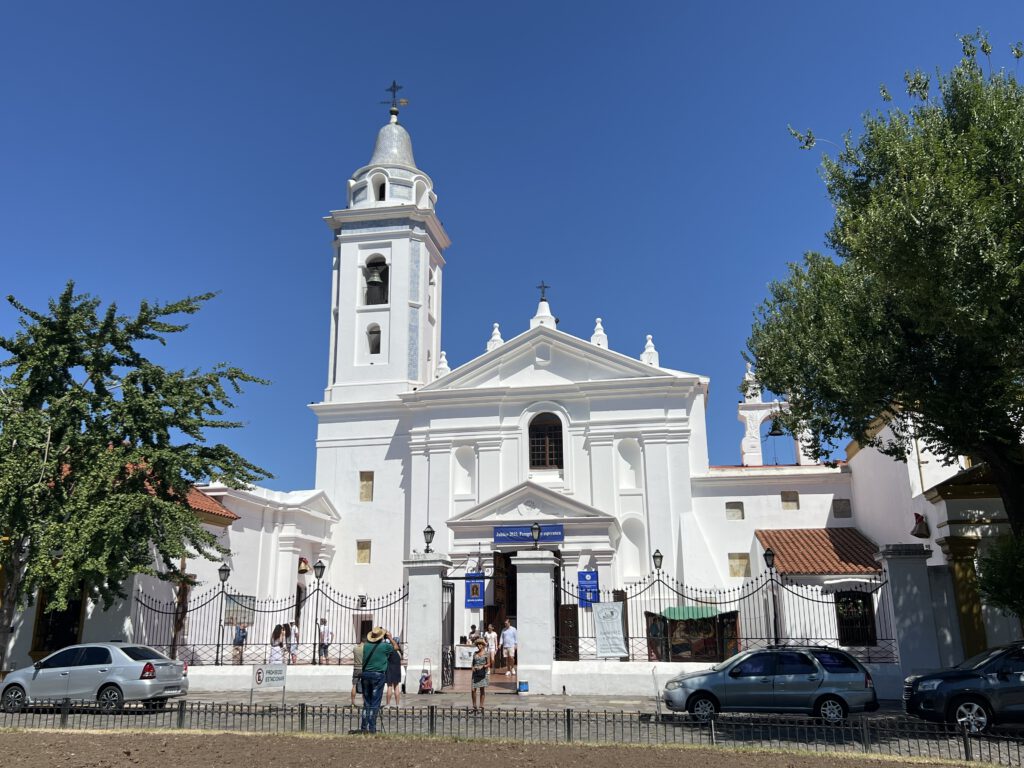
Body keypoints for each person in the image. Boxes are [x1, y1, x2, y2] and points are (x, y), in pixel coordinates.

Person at [359, 626, 395, 733]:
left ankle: (364, 727)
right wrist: (390, 638)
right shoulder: (385, 646)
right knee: (375, 703)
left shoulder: (365, 646)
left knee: (367, 702)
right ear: (381, 636)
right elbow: (396, 648)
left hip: (365, 675)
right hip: (378, 676)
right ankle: (372, 728)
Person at [470, 637, 490, 711]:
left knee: (482, 689)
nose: (479, 646)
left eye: (480, 644)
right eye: (478, 644)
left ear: (483, 645)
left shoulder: (486, 653)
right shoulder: (475, 653)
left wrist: (483, 666)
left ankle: (481, 705)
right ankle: (474, 705)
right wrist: (472, 667)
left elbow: (489, 664)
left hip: (482, 673)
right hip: (475, 673)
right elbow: (472, 663)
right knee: (473, 689)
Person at [384, 634, 403, 706]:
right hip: (397, 670)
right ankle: (397, 705)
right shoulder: (400, 652)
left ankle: (388, 704)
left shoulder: (391, 650)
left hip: (390, 669)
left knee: (389, 687)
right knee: (397, 687)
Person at [350, 640, 364, 706]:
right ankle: (364, 702)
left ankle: (353, 702)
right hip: (363, 668)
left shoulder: (355, 648)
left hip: (356, 668)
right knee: (365, 685)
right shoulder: (365, 649)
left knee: (354, 685)